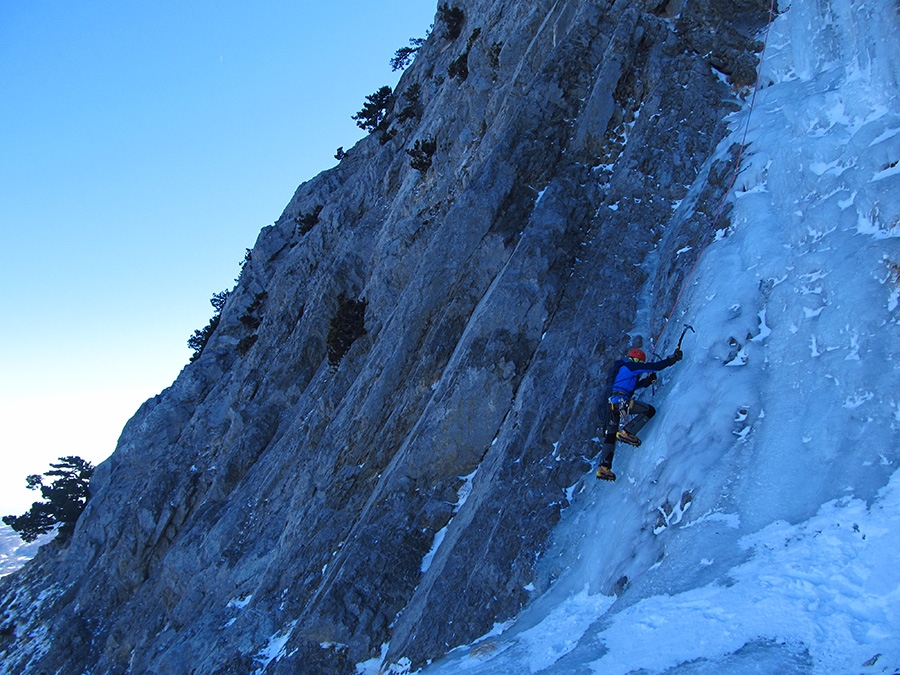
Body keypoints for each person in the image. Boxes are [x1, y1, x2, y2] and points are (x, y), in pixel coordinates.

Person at [596, 345, 683, 482]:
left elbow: (631, 387)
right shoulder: (631, 366)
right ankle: (627, 432)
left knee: (611, 434)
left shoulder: (621, 370)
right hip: (620, 402)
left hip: (611, 404)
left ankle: (604, 467)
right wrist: (672, 359)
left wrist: (647, 382)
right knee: (649, 410)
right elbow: (655, 366)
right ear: (637, 361)